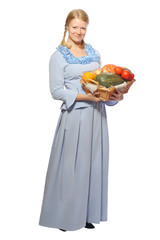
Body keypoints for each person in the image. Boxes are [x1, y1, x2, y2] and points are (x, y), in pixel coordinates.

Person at [39, 9, 123, 232]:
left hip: (96, 117)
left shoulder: (94, 54)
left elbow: (102, 89)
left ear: (87, 28)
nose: (79, 31)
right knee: (71, 167)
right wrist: (86, 97)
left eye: (83, 27)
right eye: (75, 27)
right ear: (67, 27)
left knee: (93, 165)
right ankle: (65, 217)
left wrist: (116, 97)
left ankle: (86, 214)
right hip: (75, 116)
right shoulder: (58, 56)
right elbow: (56, 91)